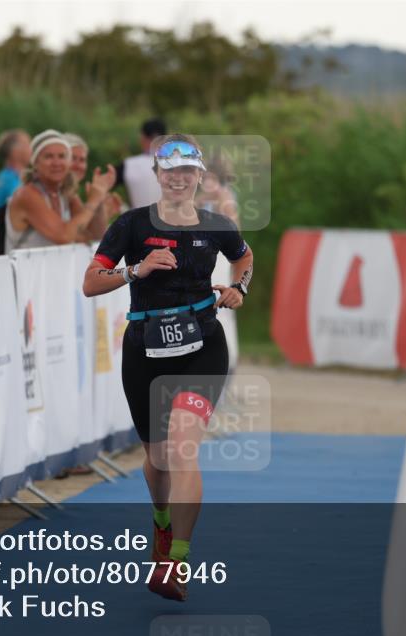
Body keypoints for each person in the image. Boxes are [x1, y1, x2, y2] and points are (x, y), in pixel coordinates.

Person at [82, 134, 254, 601]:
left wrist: (240, 287)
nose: (178, 180)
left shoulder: (218, 224)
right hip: (145, 348)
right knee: (158, 460)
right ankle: (161, 523)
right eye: (169, 172)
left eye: (187, 172)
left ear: (199, 178)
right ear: (157, 176)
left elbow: (243, 256)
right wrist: (136, 271)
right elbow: (90, 283)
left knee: (182, 448)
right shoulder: (131, 225)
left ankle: (177, 562)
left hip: (203, 345)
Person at [5, 129, 115, 251]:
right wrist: (93, 201)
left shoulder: (66, 195)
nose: (56, 163)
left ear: (68, 163)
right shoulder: (26, 195)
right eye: (48, 156)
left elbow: (94, 237)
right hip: (23, 269)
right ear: (35, 163)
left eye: (62, 156)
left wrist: (99, 196)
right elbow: (64, 236)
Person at [114, 118, 167, 209]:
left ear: (142, 138)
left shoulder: (128, 164)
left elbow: (102, 186)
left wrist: (122, 208)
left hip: (137, 221)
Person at [195, 154, 239, 226]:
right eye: (205, 177)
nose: (206, 182)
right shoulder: (204, 197)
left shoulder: (224, 197)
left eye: (211, 178)